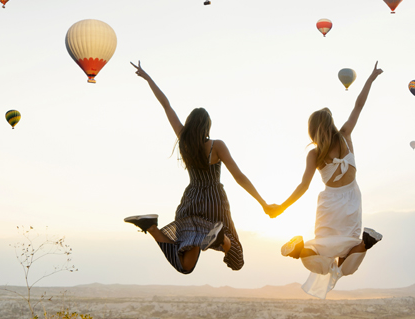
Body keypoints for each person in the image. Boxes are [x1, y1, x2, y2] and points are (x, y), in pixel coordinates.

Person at [125, 61, 271, 274]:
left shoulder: (184, 140)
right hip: (214, 204)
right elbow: (239, 177)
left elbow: (166, 105)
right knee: (236, 258)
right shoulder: (216, 146)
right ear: (207, 126)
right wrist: (263, 202)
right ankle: (220, 237)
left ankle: (149, 226)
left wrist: (148, 79)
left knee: (185, 266)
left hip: (190, 204)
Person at [269, 61, 384, 298]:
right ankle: (363, 242)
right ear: (330, 124)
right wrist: (370, 80)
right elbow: (358, 106)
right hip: (351, 198)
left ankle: (302, 249)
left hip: (330, 203)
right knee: (347, 250)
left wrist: (282, 207)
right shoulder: (344, 135)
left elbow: (303, 186)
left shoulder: (315, 154)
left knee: (323, 251)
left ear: (313, 131)